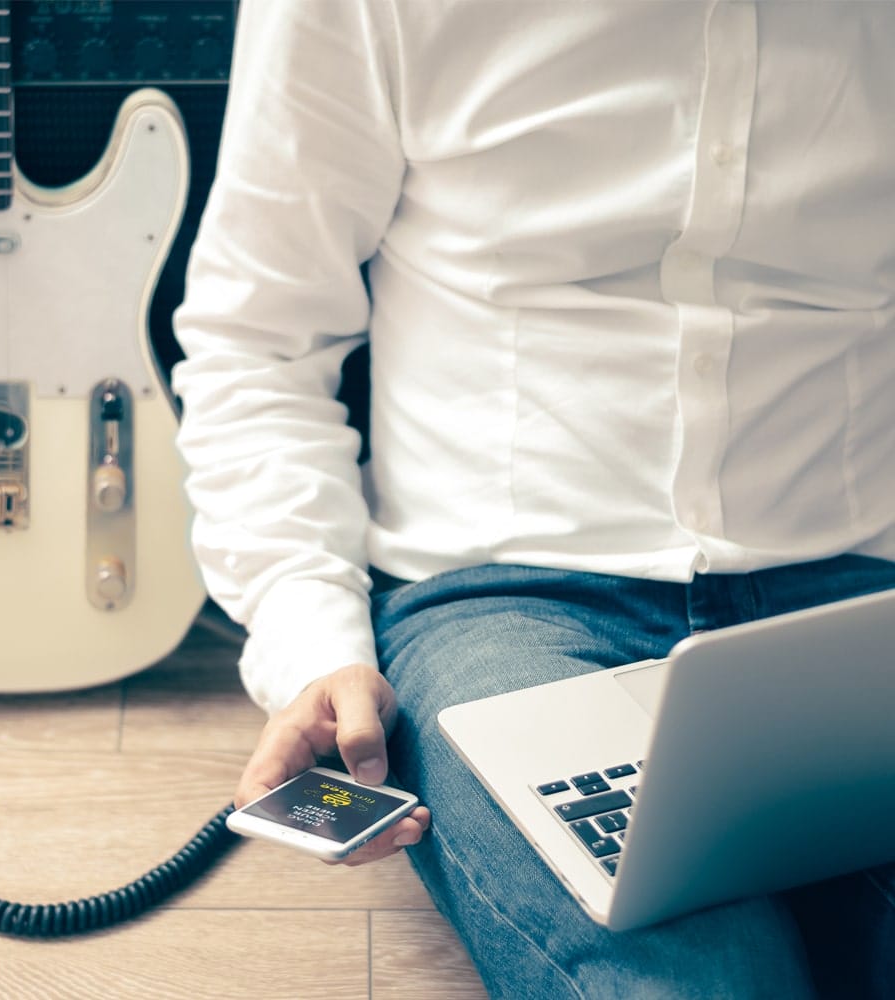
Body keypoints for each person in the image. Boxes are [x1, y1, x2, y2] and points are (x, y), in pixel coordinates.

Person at [171, 2, 895, 996]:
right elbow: (260, 340)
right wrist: (311, 636)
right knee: (699, 982)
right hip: (506, 607)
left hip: (858, 599)